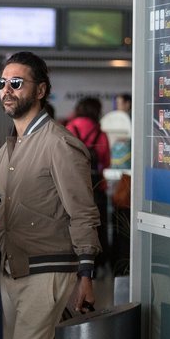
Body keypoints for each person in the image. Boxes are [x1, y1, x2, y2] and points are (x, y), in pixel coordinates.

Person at [0, 52, 100, 339]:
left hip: (52, 269)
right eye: (1, 84)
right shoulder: (6, 149)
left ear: (41, 90)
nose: (7, 91)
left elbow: (82, 210)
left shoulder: (59, 144)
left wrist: (87, 272)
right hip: (13, 271)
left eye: (17, 84)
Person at [66, 97, 110, 268]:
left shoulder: (69, 129)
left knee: (73, 223)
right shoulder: (101, 134)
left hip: (71, 187)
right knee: (97, 226)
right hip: (96, 188)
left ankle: (74, 261)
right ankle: (95, 264)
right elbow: (106, 162)